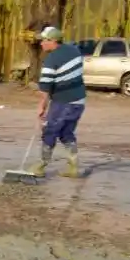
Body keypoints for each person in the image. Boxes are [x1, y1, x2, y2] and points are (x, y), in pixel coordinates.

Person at [34, 26, 85, 178]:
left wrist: (41, 106)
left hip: (64, 101)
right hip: (79, 101)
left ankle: (41, 165)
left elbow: (45, 86)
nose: (41, 43)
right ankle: (73, 166)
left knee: (50, 130)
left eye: (44, 40)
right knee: (66, 132)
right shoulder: (74, 50)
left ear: (53, 41)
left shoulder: (51, 59)